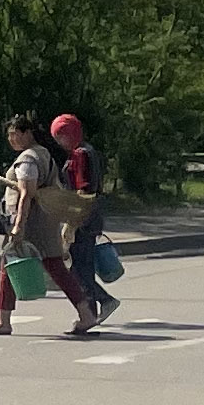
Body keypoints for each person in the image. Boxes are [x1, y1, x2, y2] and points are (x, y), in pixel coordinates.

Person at [0, 114, 99, 338]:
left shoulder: (28, 159)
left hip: (31, 222)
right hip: (45, 221)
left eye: (15, 134)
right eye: (9, 135)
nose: (12, 139)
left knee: (9, 263)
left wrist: (19, 225)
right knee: (55, 267)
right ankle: (86, 314)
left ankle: (3, 321)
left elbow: (26, 194)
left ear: (27, 133)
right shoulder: (42, 153)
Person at [52, 112, 119, 322]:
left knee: (79, 268)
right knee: (80, 267)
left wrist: (71, 222)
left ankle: (97, 306)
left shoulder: (80, 154)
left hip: (83, 216)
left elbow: (84, 190)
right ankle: (93, 310)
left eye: (61, 135)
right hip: (90, 215)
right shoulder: (86, 151)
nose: (59, 141)